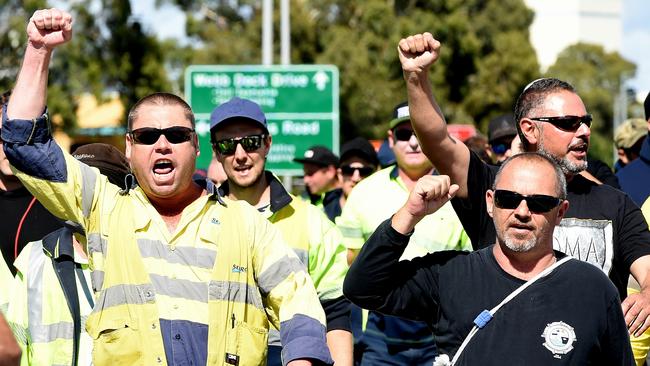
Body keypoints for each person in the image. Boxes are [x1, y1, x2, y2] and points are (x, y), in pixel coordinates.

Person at [1, 9, 332, 366]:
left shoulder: (246, 224)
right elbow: (25, 143)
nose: (162, 145)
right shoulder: (103, 208)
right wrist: (38, 50)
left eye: (176, 136)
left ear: (196, 148)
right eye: (147, 136)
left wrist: (302, 359)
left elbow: (300, 302)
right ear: (129, 147)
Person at [397, 32, 650, 338]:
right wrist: (416, 77)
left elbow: (647, 268)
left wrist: (648, 294)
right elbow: (436, 139)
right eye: (569, 123)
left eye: (587, 121)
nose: (584, 131)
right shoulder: (494, 188)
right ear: (530, 129)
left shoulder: (616, 203)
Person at [343, 153, 634, 365]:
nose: (521, 211)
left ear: (560, 212)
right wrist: (409, 214)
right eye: (509, 199)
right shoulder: (450, 274)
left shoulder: (593, 288)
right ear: (490, 203)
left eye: (539, 203)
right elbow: (362, 287)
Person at [209, 97, 352, 366]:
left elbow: (335, 312)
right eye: (228, 145)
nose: (240, 155)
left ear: (267, 144)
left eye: (251, 142)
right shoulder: (201, 220)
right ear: (216, 153)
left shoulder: (313, 222)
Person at [336, 102, 470, 365]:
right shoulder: (363, 191)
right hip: (377, 334)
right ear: (390, 139)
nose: (413, 142)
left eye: (420, 133)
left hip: (439, 333)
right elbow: (347, 259)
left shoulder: (460, 193)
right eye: (403, 134)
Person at [6, 143, 130, 366]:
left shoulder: (144, 253)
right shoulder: (35, 258)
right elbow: (16, 345)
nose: (89, 201)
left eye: (101, 189)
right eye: (80, 188)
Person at [321, 137, 378, 222]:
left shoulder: (385, 211)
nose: (356, 178)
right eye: (349, 170)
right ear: (340, 174)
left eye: (364, 171)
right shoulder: (322, 213)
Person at [616, 95, 650, 206]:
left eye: (645, 140)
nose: (641, 149)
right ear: (622, 155)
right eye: (637, 147)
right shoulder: (619, 185)